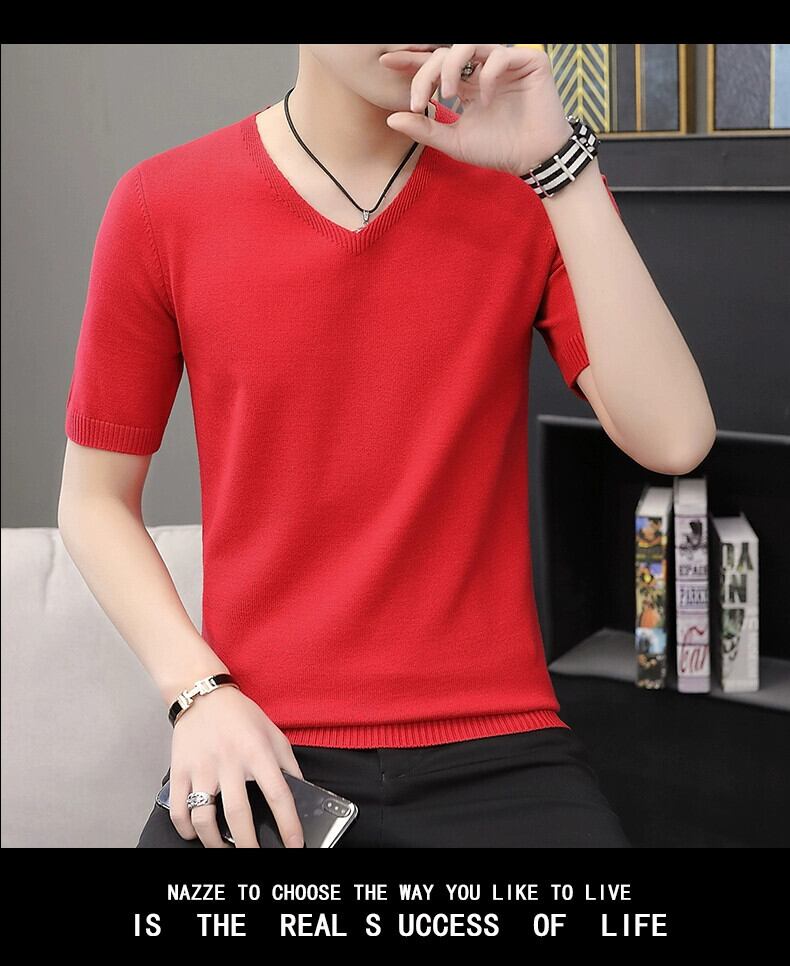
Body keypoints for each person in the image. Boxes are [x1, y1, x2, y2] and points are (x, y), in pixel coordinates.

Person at [58, 44, 716, 848]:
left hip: (503, 749)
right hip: (264, 746)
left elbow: (675, 438)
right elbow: (94, 502)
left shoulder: (531, 188)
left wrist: (559, 169)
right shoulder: (162, 204)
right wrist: (198, 692)